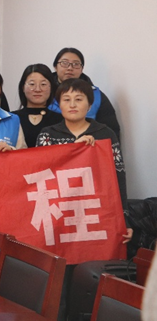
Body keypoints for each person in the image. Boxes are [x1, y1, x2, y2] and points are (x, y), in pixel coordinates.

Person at [38, 78, 131, 242]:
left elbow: (118, 176)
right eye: (66, 100)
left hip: (96, 209)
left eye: (79, 99)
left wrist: (125, 218)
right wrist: (74, 150)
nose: (72, 105)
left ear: (89, 105)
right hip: (59, 211)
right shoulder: (47, 135)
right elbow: (40, 174)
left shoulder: (105, 134)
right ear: (59, 105)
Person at [47, 47, 121, 142]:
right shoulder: (44, 93)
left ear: (82, 69)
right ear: (55, 67)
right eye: (64, 63)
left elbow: (111, 131)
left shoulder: (96, 95)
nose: (70, 68)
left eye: (76, 64)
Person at [12, 64, 62, 148]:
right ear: (23, 87)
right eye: (32, 84)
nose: (38, 89)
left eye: (43, 84)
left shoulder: (61, 120)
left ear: (51, 88)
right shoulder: (10, 119)